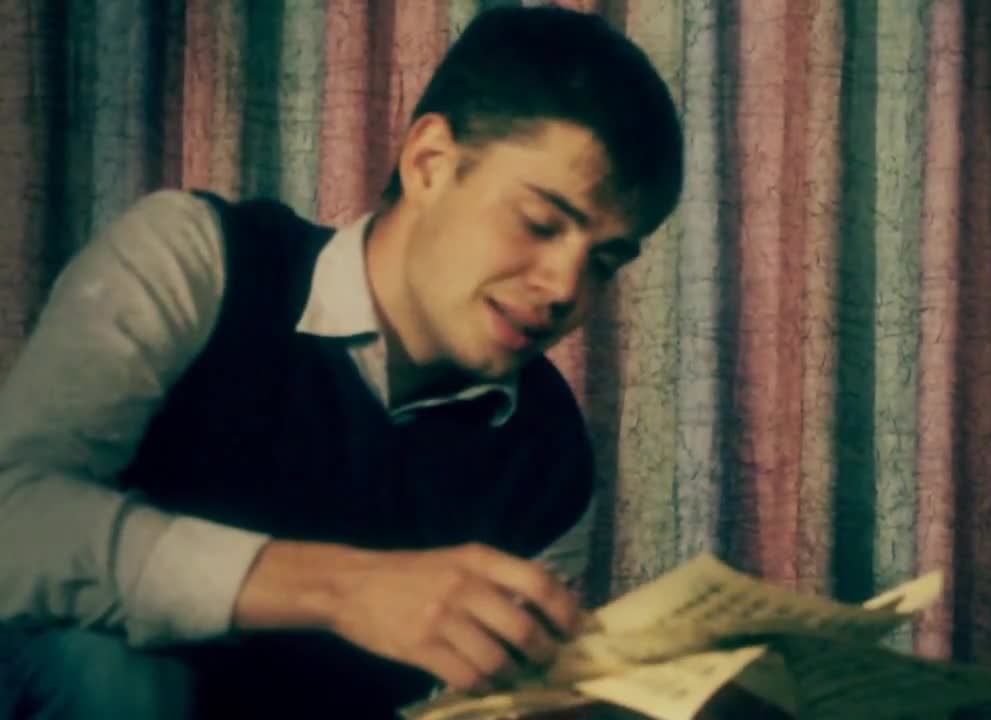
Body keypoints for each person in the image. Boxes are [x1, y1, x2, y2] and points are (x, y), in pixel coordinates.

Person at [0, 5, 683, 719]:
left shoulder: (551, 459)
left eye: (604, 262)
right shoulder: (198, 257)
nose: (566, 289)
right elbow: (13, 521)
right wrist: (342, 588)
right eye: (540, 224)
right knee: (109, 669)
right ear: (429, 163)